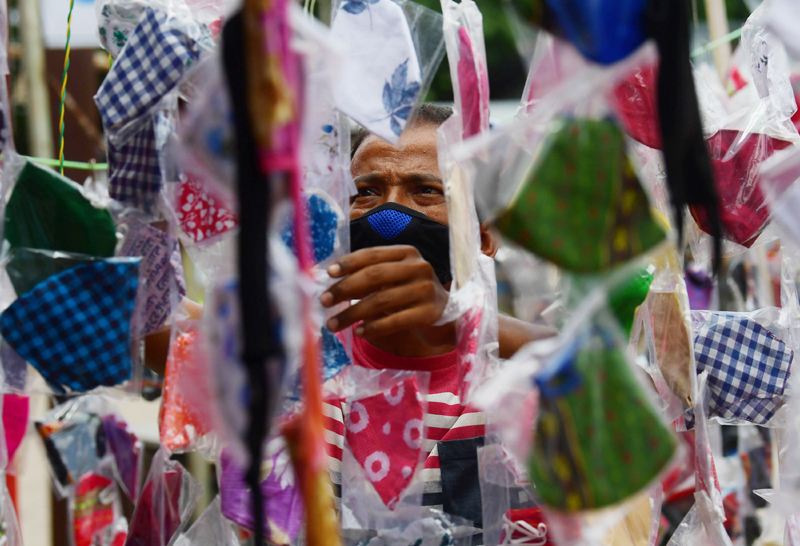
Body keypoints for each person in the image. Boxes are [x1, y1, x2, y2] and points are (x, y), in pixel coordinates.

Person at [144, 103, 554, 522]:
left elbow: (611, 374)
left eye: (426, 191)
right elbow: (144, 319)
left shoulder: (524, 386)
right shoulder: (290, 363)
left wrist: (461, 321)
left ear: (484, 237)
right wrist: (154, 140)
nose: (390, 214)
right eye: (366, 192)